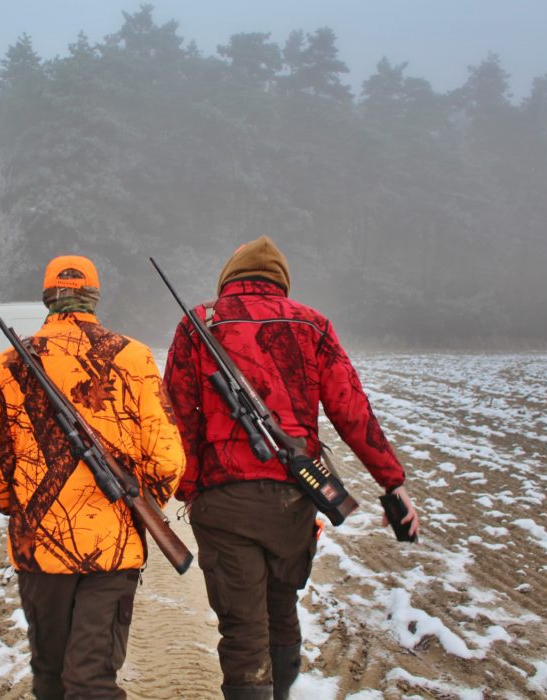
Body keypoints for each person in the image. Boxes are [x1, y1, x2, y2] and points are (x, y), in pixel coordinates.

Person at [162, 236, 420, 700]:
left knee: (243, 629)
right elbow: (351, 411)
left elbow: (178, 417)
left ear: (229, 281)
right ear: (279, 283)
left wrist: (191, 489)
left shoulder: (199, 324)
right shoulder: (313, 325)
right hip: (294, 499)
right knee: (281, 609)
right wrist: (392, 483)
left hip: (223, 502)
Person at [0, 254, 186, 699]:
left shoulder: (9, 363)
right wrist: (135, 505)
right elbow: (167, 461)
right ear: (94, 297)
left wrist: (26, 506)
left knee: (50, 676)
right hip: (113, 551)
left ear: (48, 297)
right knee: (92, 681)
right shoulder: (135, 357)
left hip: (39, 551)